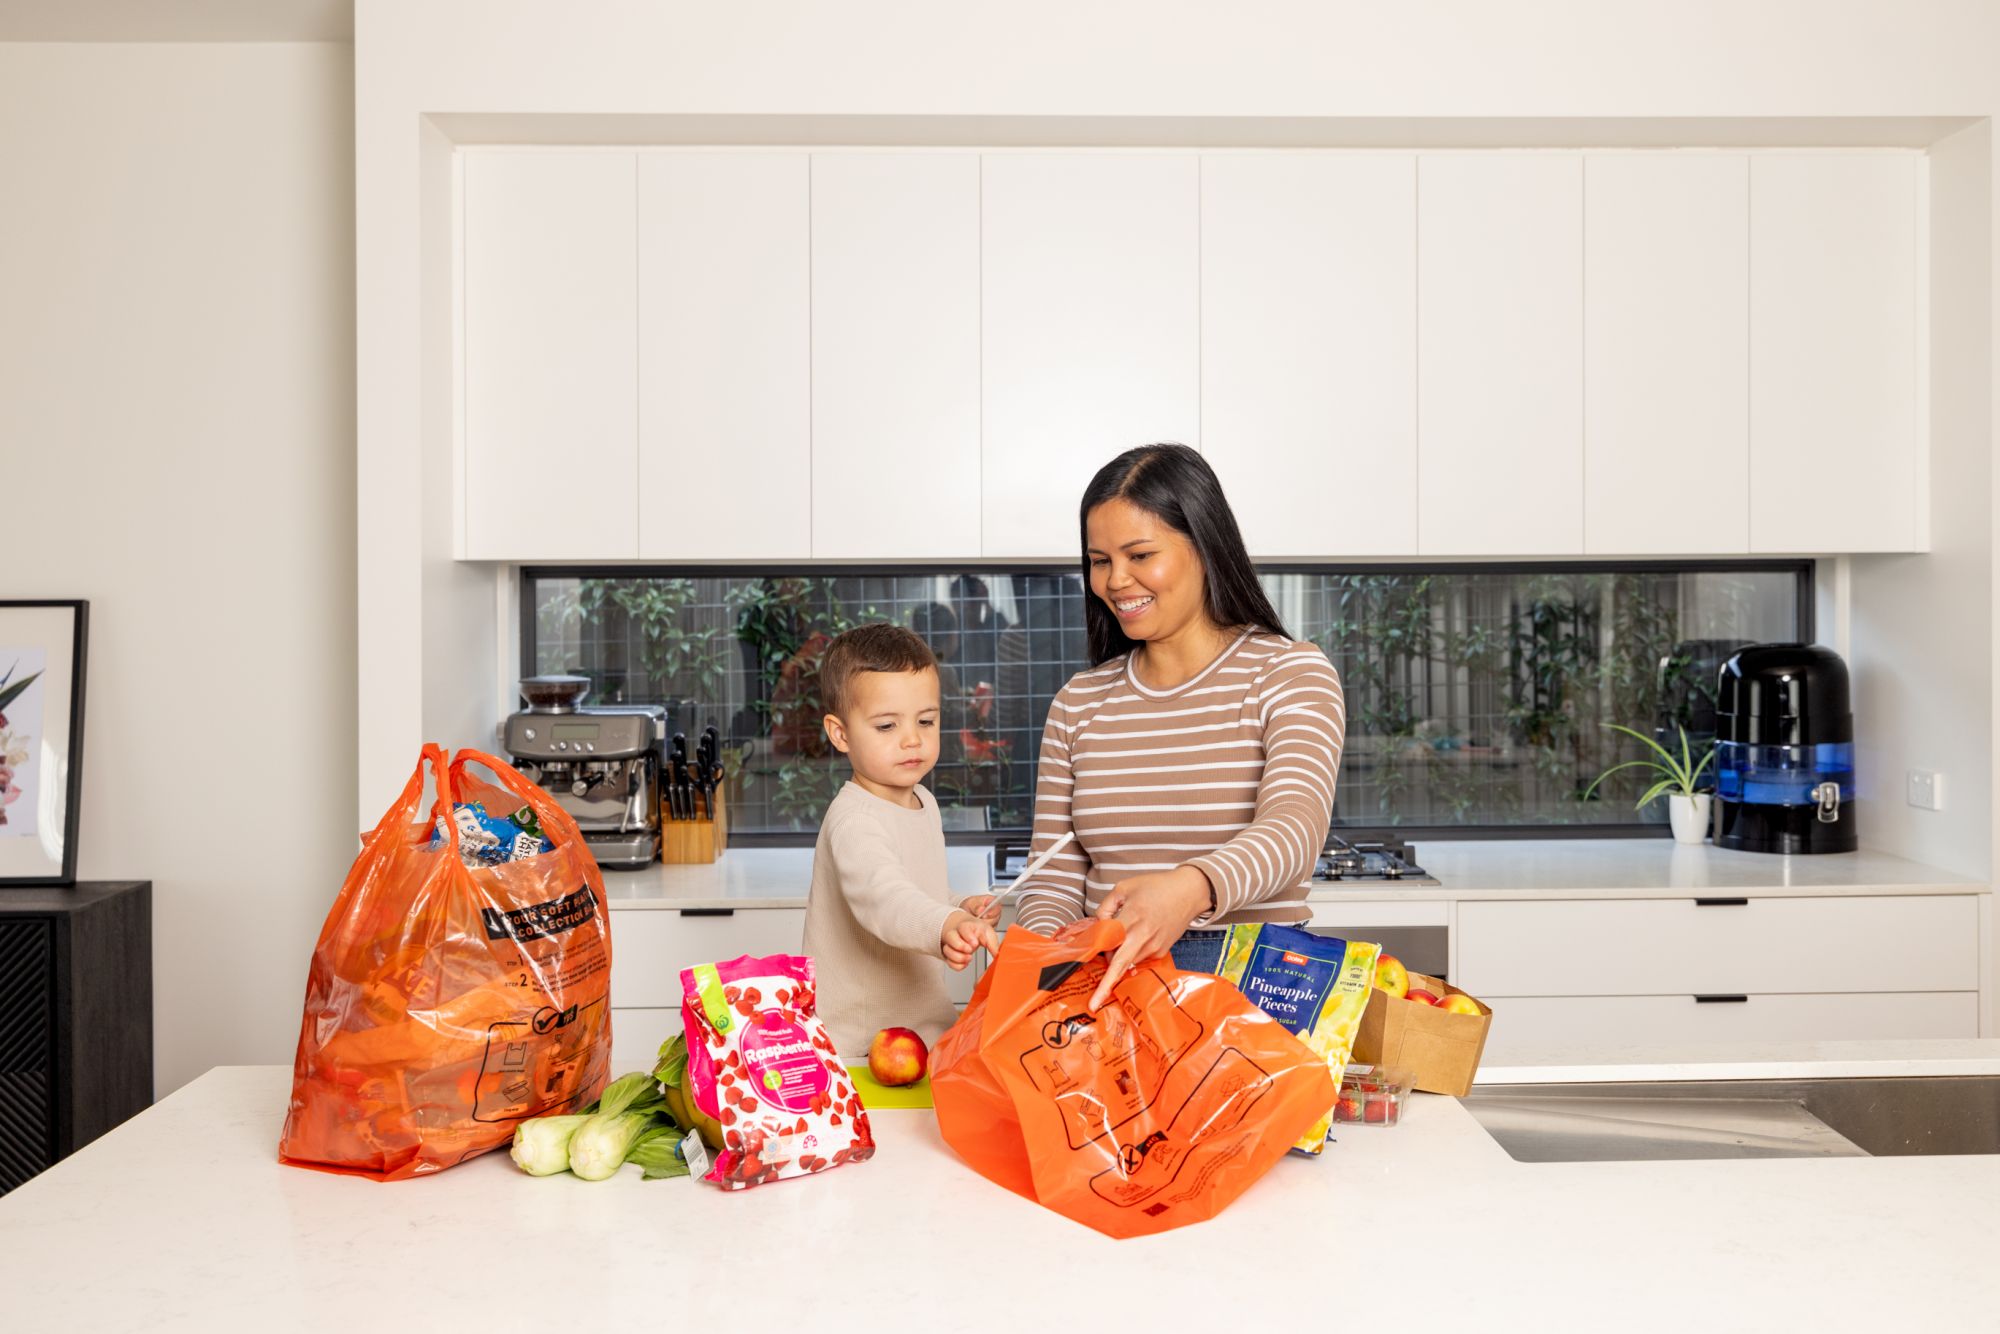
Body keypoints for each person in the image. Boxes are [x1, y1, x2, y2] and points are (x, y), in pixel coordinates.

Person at [1012, 443, 1346, 1012]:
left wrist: (1189, 890)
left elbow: (1295, 831)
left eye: (1140, 555)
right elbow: (1053, 879)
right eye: (1099, 560)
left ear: (1205, 548)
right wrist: (1043, 963)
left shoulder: (1289, 673)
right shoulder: (1079, 703)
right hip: (1106, 996)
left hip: (1253, 998)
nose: (1116, 580)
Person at [801, 622, 1002, 1056]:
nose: (913, 739)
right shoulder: (854, 818)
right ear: (840, 733)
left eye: (926, 721)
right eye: (887, 726)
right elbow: (884, 898)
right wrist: (945, 925)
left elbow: (914, 883)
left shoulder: (923, 801)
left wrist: (957, 905)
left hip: (922, 1032)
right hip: (859, 1045)